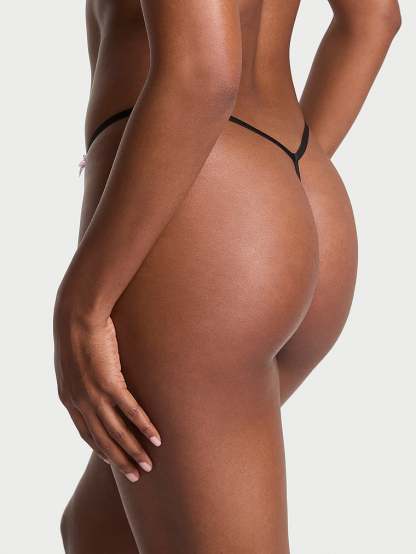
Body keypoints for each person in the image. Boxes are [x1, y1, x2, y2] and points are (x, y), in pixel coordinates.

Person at [54, 0, 401, 552]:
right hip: (291, 180)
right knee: (96, 531)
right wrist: (273, 189)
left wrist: (82, 305)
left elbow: (203, 71)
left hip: (197, 209)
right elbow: (374, 19)